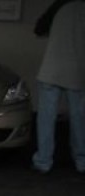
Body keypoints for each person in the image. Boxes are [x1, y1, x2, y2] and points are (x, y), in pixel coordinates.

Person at [32, 0, 85, 173]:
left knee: (46, 118)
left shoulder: (60, 5)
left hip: (51, 68)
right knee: (79, 118)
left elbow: (39, 29)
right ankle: (81, 161)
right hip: (78, 71)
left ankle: (43, 161)